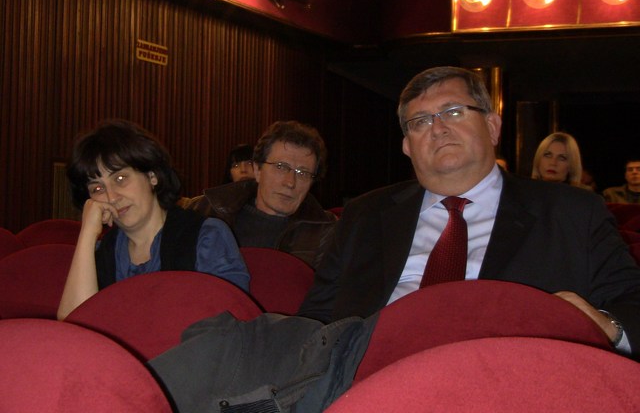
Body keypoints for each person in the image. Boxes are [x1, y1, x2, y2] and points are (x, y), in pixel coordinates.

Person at [298, 66, 640, 358]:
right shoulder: (364, 215)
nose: (438, 128)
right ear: (407, 146)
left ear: (492, 127)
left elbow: (633, 305)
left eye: (454, 112)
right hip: (369, 379)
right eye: (420, 121)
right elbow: (315, 320)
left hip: (507, 383)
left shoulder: (572, 213)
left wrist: (606, 326)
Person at [57, 119, 249, 320]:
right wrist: (87, 234)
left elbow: (229, 320)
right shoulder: (104, 252)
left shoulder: (206, 236)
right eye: (97, 188)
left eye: (120, 179)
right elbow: (72, 324)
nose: (111, 197)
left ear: (152, 176)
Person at [183, 121, 336, 268]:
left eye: (303, 173)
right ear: (257, 170)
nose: (290, 182)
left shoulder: (326, 232)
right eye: (281, 167)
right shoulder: (204, 210)